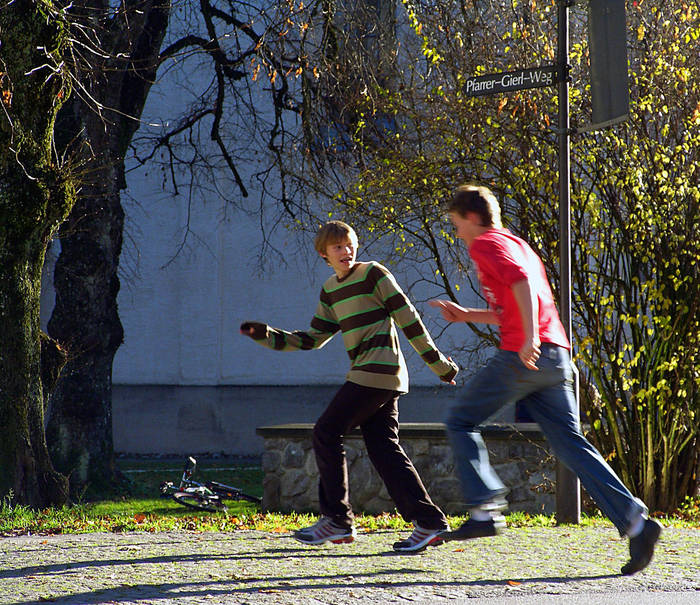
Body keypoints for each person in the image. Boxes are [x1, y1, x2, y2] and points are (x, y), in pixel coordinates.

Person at [430, 184, 662, 575]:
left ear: (471, 217)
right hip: (557, 358)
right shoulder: (516, 242)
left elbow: (521, 285)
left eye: (455, 223)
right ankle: (637, 523)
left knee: (460, 420)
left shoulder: (485, 243)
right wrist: (467, 314)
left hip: (525, 355)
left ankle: (485, 508)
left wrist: (529, 339)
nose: (456, 232)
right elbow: (516, 302)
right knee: (570, 444)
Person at [241, 220, 459, 552]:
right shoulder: (331, 289)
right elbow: (313, 339)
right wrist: (268, 336)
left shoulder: (374, 274)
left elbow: (408, 319)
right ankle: (429, 522)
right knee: (384, 450)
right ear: (324, 253)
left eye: (350, 244)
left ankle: (338, 521)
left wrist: (438, 365)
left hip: (377, 372)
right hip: (373, 376)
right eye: (338, 247)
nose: (346, 251)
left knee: (326, 431)